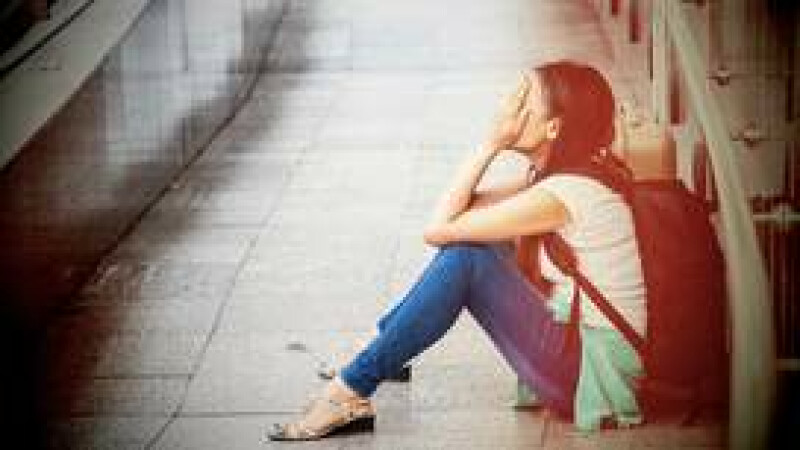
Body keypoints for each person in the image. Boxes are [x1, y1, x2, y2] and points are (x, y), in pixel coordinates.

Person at [267, 61, 647, 441]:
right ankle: (378, 350)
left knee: (467, 259)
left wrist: (491, 144)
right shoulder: (556, 179)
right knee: (474, 246)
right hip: (578, 351)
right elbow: (457, 212)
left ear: (553, 127)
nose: (507, 110)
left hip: (589, 374)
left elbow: (438, 230)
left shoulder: (566, 194)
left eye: (522, 101)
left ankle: (348, 391)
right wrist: (490, 145)